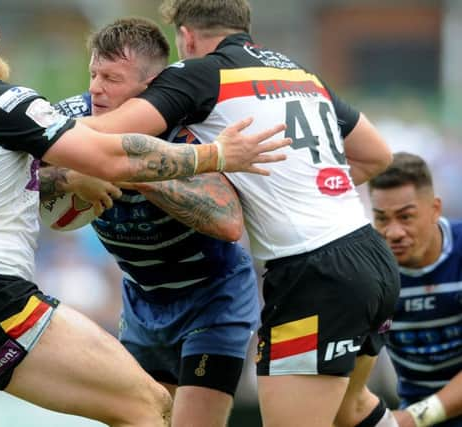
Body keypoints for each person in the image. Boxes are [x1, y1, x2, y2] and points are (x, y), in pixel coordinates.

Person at [0, 1, 292, 426]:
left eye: (111, 78)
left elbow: (14, 170)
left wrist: (67, 179)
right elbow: (109, 158)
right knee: (149, 404)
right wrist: (217, 155)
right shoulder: (3, 102)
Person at [78, 1, 402, 426]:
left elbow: (103, 134)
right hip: (371, 260)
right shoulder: (298, 74)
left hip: (315, 274)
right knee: (351, 409)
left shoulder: (199, 74)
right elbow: (377, 155)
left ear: (187, 35)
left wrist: (29, 131)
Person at [42, 17, 261, 427]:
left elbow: (230, 222)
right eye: (93, 74)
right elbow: (16, 171)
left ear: (151, 84)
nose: (95, 88)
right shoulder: (73, 118)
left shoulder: (185, 127)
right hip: (142, 299)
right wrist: (72, 177)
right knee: (142, 418)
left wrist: (133, 171)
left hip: (214, 296)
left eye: (111, 77)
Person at [367, 152, 462, 427]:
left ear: (435, 209)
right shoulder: (367, 272)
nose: (393, 232)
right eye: (382, 219)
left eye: (405, 217)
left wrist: (412, 418)